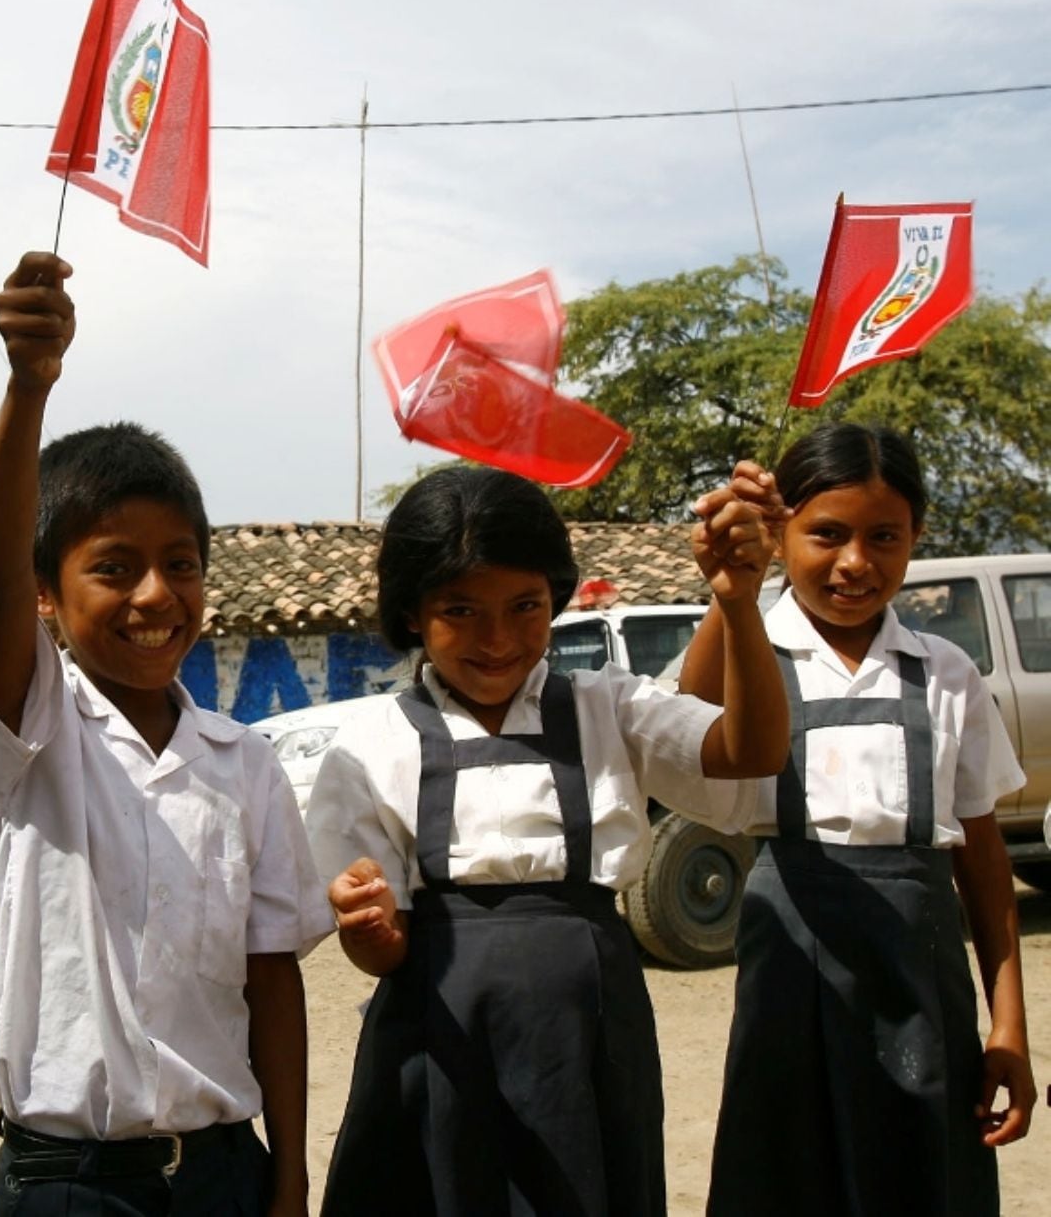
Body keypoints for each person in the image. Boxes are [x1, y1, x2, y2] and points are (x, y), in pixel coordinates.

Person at [0, 252, 334, 1216]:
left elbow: (271, 983)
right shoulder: (31, 734)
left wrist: (285, 1177)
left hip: (221, 1176)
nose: (157, 595)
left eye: (181, 564)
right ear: (49, 594)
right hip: (66, 1185)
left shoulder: (245, 766)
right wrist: (27, 386)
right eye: (114, 568)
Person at [305, 465, 791, 1216]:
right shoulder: (371, 745)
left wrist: (737, 603)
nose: (496, 639)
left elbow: (750, 752)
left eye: (524, 606)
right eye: (461, 610)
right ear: (411, 613)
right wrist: (367, 925)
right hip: (438, 1041)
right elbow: (385, 951)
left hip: (587, 1035)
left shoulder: (610, 710)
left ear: (555, 600)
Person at [684, 427, 1036, 1216]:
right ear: (782, 534)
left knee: (921, 1176)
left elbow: (982, 863)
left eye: (885, 537)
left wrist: (1007, 1024)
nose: (855, 563)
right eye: (827, 534)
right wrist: (734, 588)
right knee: (787, 1175)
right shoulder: (751, 650)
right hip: (790, 967)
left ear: (915, 539)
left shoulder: (945, 672)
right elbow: (692, 715)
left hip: (920, 967)